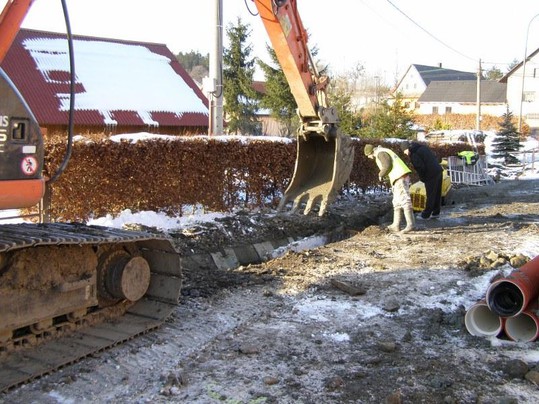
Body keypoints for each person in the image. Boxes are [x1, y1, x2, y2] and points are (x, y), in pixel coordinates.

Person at [364, 144, 415, 233]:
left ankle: (410, 225)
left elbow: (387, 165)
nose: (369, 157)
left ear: (371, 152)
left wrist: (381, 175)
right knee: (396, 202)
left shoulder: (380, 153)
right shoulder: (383, 151)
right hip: (398, 177)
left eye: (368, 155)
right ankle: (396, 225)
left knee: (404, 200)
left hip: (400, 177)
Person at [401, 141, 443, 219]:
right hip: (438, 171)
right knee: (437, 194)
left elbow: (420, 168)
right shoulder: (422, 147)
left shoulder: (414, 154)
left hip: (430, 175)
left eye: (404, 151)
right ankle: (436, 212)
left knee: (430, 195)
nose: (405, 153)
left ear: (407, 148)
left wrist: (423, 178)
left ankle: (425, 215)